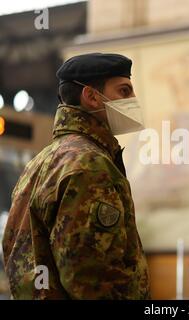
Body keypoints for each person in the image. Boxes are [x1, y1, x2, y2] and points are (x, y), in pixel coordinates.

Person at [1, 53, 151, 299]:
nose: (133, 100)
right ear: (92, 96)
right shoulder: (90, 165)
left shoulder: (40, 162)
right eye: (124, 91)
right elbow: (91, 280)